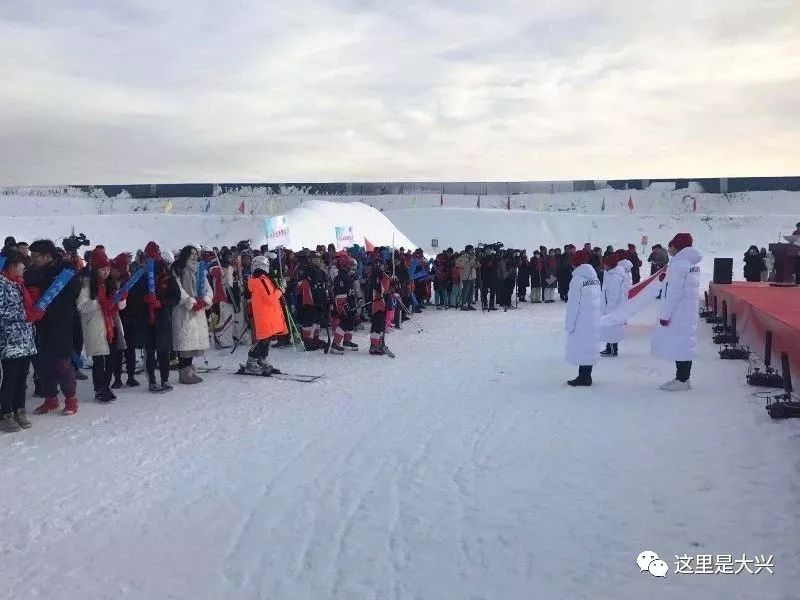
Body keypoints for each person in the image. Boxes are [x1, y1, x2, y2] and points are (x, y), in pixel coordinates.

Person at [26, 239, 82, 416]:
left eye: (36, 256)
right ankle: (50, 399)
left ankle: (71, 399)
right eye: (31, 256)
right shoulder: (32, 273)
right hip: (41, 324)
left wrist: (71, 272)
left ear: (48, 256)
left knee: (62, 363)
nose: (32, 259)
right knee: (43, 364)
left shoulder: (65, 270)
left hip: (62, 322)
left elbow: (76, 291)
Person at [652, 233, 702, 391]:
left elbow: (674, 293)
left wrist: (665, 316)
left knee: (681, 345)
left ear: (677, 247)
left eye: (671, 245)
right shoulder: (690, 263)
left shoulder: (679, 265)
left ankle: (681, 380)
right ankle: (683, 378)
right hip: (687, 312)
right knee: (685, 345)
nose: (669, 249)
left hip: (679, 313)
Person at [128, 241, 180, 393]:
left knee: (163, 351)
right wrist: (143, 300)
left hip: (163, 319)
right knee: (149, 351)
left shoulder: (167, 276)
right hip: (145, 320)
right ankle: (151, 380)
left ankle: (164, 379)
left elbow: (175, 297)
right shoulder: (139, 276)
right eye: (147, 259)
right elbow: (131, 298)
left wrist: (161, 303)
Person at [77, 248, 128, 403]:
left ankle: (106, 386)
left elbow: (120, 307)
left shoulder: (110, 284)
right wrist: (99, 303)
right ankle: (99, 389)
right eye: (102, 269)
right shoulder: (87, 284)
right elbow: (81, 306)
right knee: (100, 361)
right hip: (95, 326)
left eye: (107, 269)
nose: (105, 272)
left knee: (111, 359)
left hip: (111, 326)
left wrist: (121, 298)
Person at [0, 250, 40, 432]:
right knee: (10, 377)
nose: (24, 268)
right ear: (12, 264)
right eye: (22, 264)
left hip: (24, 339)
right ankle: (5, 413)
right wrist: (26, 314)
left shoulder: (18, 284)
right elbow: (3, 312)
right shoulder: (2, 284)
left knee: (23, 377)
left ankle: (19, 410)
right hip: (9, 339)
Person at [240, 254, 289, 374]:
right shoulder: (261, 280)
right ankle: (252, 361)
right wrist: (280, 290)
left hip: (266, 315)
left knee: (266, 340)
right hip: (265, 315)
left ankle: (260, 360)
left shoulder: (260, 280)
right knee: (263, 340)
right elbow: (270, 299)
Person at [171, 245, 213, 384]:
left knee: (194, 343)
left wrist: (205, 299)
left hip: (198, 310)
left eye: (196, 254)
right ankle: (184, 373)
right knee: (185, 343)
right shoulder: (177, 269)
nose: (195, 256)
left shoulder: (200, 269)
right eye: (192, 254)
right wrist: (190, 301)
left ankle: (190, 372)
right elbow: (178, 288)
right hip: (184, 311)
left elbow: (207, 288)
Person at [565, 250, 601, 386]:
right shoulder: (594, 278)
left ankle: (583, 377)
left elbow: (574, 304)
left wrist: (569, 323)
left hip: (581, 319)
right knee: (589, 347)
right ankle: (587, 376)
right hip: (593, 318)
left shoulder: (577, 279)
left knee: (581, 347)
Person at [110, 253, 139, 388]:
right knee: (117, 350)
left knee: (130, 349)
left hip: (130, 318)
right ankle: (117, 378)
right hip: (115, 319)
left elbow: (136, 300)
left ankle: (131, 376)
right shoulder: (109, 281)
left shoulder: (130, 281)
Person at [599, 252, 628, 357]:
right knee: (610, 329)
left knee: (611, 329)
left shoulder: (614, 278)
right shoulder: (610, 274)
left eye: (605, 263)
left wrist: (608, 310)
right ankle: (610, 348)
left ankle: (611, 350)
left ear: (610, 265)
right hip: (612, 308)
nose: (603, 265)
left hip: (612, 309)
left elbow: (613, 297)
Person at [330, 253, 359, 354]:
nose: (352, 267)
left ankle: (347, 341)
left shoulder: (347, 275)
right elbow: (341, 294)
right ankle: (335, 344)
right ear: (345, 265)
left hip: (349, 302)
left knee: (350, 320)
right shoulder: (342, 276)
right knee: (345, 322)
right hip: (343, 303)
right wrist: (344, 305)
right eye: (350, 265)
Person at [369, 257, 391, 355]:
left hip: (381, 304)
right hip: (377, 304)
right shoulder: (376, 276)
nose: (383, 267)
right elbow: (383, 289)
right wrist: (387, 280)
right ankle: (374, 345)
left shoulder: (380, 275)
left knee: (381, 324)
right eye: (381, 265)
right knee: (377, 325)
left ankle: (379, 343)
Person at [455, 245, 478, 311]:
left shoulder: (474, 257)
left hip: (473, 276)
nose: (472, 251)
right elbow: (457, 264)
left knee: (471, 291)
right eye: (471, 250)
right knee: (465, 291)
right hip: (466, 276)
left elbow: (477, 265)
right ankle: (463, 304)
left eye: (473, 250)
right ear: (467, 250)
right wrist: (468, 262)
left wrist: (477, 261)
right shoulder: (462, 257)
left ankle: (469, 304)